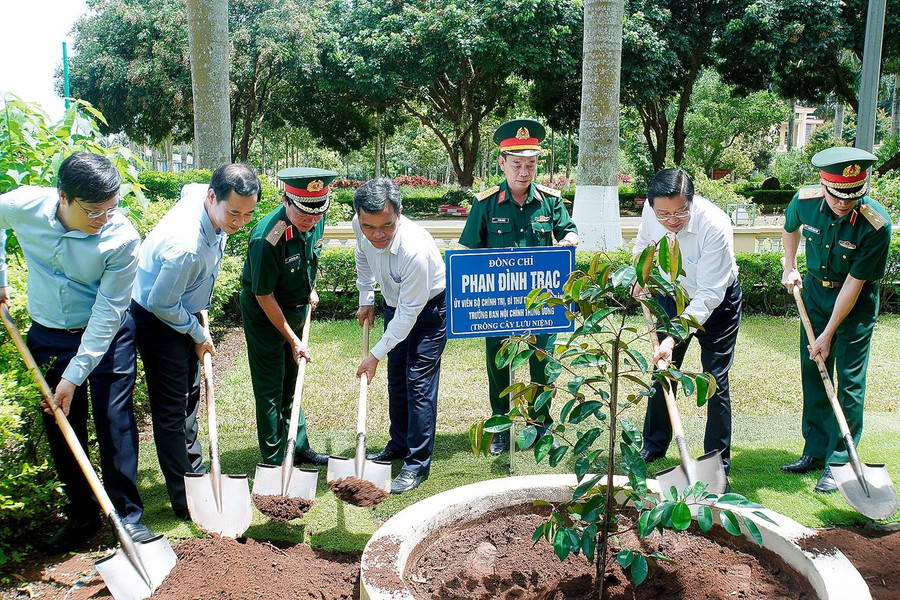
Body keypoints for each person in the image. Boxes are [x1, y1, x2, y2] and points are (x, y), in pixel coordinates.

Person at [0, 152, 153, 551]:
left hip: (107, 335)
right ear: (62, 197)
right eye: (93, 211)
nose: (104, 218)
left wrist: (75, 374)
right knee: (61, 424)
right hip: (49, 333)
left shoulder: (122, 238)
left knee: (113, 417)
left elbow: (108, 312)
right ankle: (83, 517)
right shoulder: (22, 206)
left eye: (111, 208)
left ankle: (128, 519)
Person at [132, 164, 260, 519]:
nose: (239, 221)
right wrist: (198, 332)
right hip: (158, 319)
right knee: (173, 410)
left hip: (182, 308)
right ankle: (185, 497)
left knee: (190, 397)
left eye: (248, 213)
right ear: (212, 198)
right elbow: (161, 303)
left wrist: (195, 322)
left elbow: (189, 186)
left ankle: (197, 474)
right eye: (233, 212)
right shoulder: (186, 246)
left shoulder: (202, 196)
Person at [458, 118, 578, 455]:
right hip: (499, 301)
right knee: (500, 363)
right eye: (516, 164)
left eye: (530, 164)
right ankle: (500, 425)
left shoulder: (551, 201)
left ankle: (540, 425)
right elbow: (467, 250)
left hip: (543, 299)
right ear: (502, 163)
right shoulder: (485, 203)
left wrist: (569, 240)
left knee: (543, 360)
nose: (523, 172)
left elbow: (569, 230)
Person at [780, 147, 890, 494]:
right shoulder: (805, 200)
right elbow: (789, 228)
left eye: (853, 196)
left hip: (853, 303)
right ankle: (814, 450)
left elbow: (855, 285)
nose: (844, 203)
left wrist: (828, 333)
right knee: (813, 369)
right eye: (838, 195)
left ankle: (839, 460)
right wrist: (790, 266)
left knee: (850, 382)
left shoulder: (876, 224)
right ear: (824, 186)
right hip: (813, 293)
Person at [632, 168, 741, 482]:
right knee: (663, 370)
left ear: (692, 201)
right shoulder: (652, 212)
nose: (672, 219)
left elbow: (708, 294)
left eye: (681, 211)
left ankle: (717, 461)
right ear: (653, 206)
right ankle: (653, 445)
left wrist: (674, 336)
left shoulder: (715, 225)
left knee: (714, 378)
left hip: (717, 303)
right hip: (672, 295)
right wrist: (642, 279)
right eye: (664, 214)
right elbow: (643, 249)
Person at [353, 178, 447, 494]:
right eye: (369, 226)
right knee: (397, 379)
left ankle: (416, 464)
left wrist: (375, 354)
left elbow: (410, 314)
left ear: (399, 214)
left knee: (418, 383)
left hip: (429, 310)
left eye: (386, 226)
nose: (377, 234)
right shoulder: (360, 224)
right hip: (394, 304)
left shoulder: (415, 250)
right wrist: (366, 297)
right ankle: (399, 444)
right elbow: (362, 257)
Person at [240, 167, 337, 467]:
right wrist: (293, 339)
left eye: (317, 214)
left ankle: (299, 444)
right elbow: (263, 295)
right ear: (286, 201)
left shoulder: (314, 222)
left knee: (294, 380)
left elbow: (309, 259)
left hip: (296, 307)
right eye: (304, 215)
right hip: (265, 315)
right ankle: (275, 458)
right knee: (271, 385)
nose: (311, 221)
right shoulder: (267, 238)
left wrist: (311, 289)